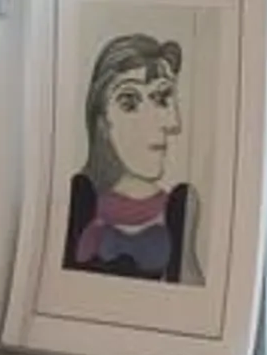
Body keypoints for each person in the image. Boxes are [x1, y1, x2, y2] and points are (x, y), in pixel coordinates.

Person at [64, 29, 197, 287]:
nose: (168, 123)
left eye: (162, 99)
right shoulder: (79, 198)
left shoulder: (180, 207)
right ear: (102, 121)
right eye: (130, 102)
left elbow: (198, 306)